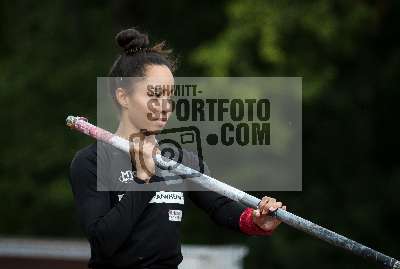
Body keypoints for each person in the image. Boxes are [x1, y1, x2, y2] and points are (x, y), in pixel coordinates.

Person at [69, 28, 286, 269]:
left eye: (169, 96)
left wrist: (256, 220)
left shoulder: (181, 161)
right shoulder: (92, 162)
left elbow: (221, 207)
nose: (165, 107)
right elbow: (103, 243)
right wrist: (143, 180)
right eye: (155, 94)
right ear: (123, 97)